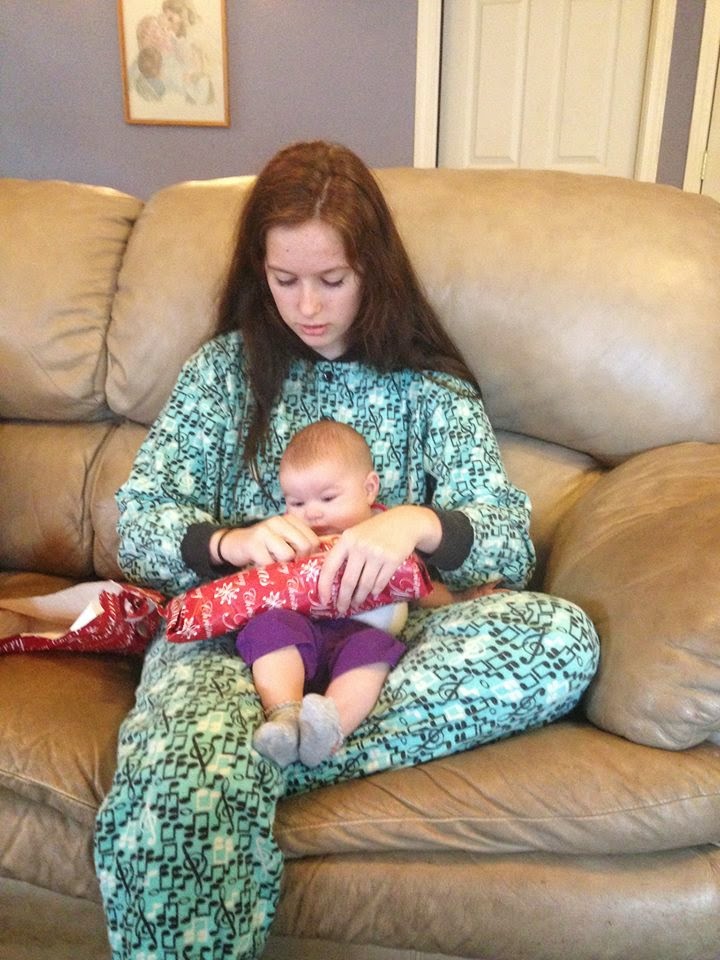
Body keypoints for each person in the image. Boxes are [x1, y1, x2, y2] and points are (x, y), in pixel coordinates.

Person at [95, 140, 599, 960]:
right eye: (283, 279)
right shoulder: (223, 373)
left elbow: (509, 546)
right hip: (237, 641)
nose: (307, 306)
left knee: (562, 638)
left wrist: (416, 524)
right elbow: (140, 523)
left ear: (374, 269)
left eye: (332, 279)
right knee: (184, 766)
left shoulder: (430, 389)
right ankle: (248, 746)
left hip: (387, 640)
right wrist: (228, 541)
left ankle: (252, 754)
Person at [238, 419, 408, 769]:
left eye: (328, 498)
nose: (312, 513)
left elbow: (417, 585)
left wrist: (458, 598)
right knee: (269, 627)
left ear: (369, 489)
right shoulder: (291, 539)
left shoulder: (387, 534)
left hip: (361, 635)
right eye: (296, 503)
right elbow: (260, 582)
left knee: (375, 650)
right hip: (303, 633)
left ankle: (329, 728)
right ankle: (284, 717)